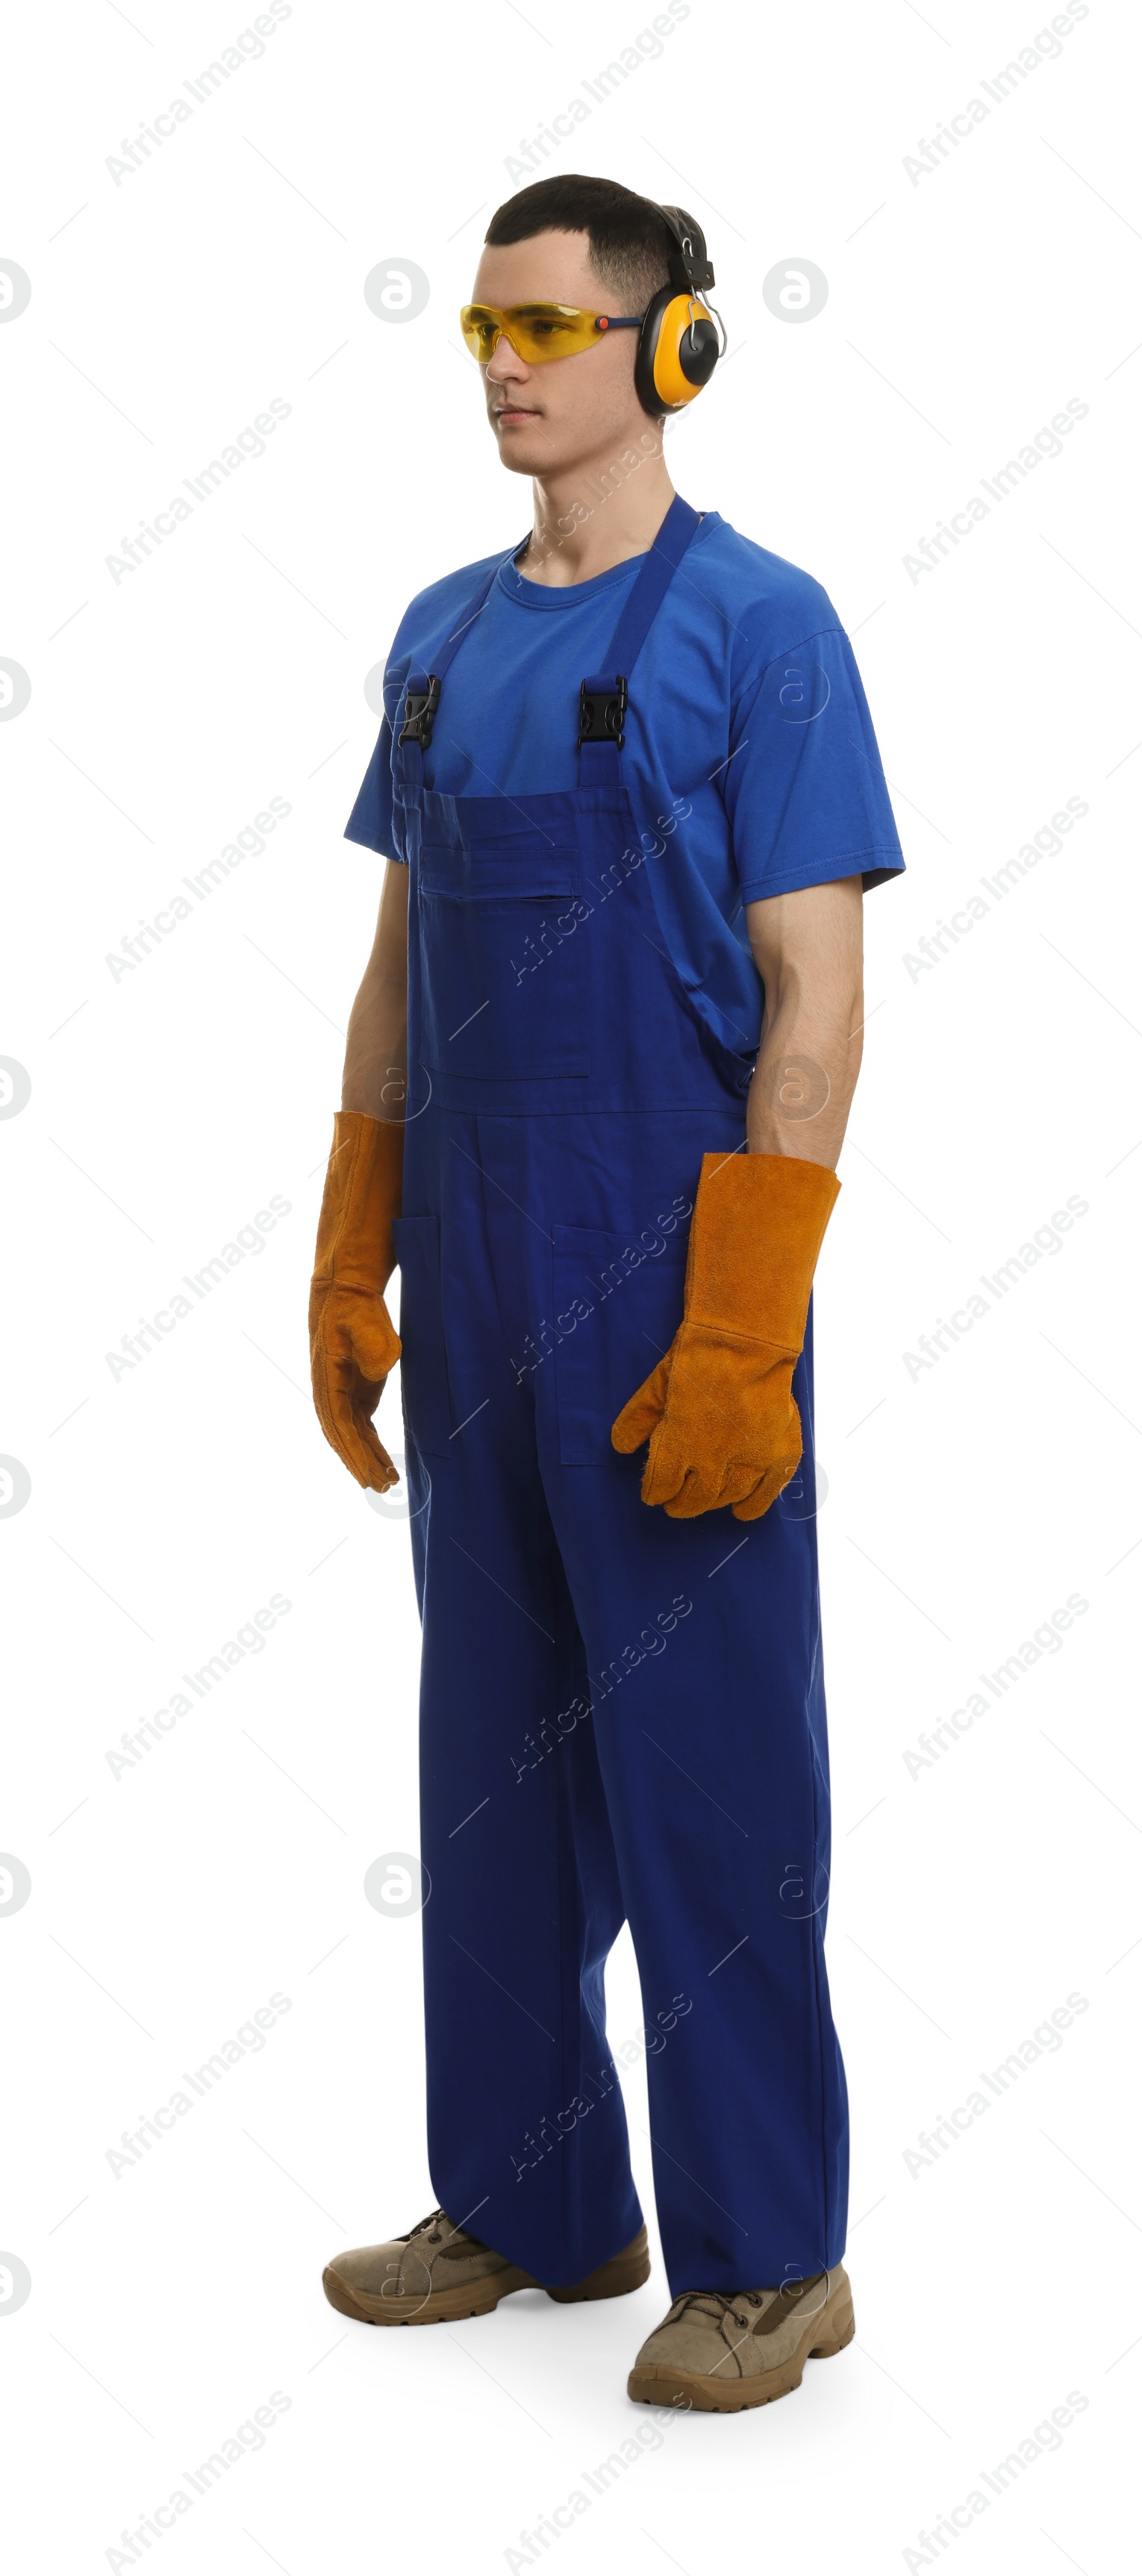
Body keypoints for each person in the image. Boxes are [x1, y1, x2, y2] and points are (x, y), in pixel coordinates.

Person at [309, 173, 904, 2412]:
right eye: (478, 326)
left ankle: (773, 2257)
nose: (503, 363)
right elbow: (397, 962)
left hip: (673, 1266)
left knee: (712, 1765)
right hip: (471, 1261)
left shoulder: (764, 627)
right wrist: (352, 1238)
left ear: (669, 351)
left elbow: (813, 996)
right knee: (492, 1762)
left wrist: (748, 1317)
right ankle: (541, 2204)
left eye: (548, 326)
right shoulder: (443, 634)